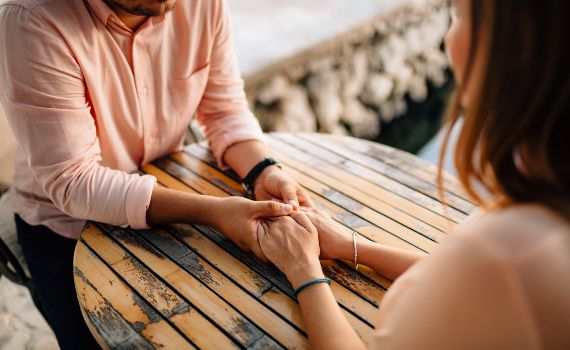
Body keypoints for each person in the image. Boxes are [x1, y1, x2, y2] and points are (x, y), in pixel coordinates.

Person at [258, 0, 570, 348]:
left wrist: (303, 270)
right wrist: (351, 246)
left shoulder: (501, 257)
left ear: (514, 46)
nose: (448, 41)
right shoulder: (546, 194)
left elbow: (487, 273)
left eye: (458, 16)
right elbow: (460, 281)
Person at [0, 0, 310, 348]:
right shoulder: (32, 20)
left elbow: (224, 110)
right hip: (65, 226)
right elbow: (74, 181)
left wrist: (262, 170)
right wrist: (213, 211)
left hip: (171, 197)